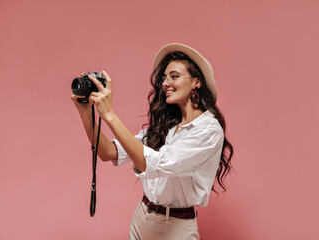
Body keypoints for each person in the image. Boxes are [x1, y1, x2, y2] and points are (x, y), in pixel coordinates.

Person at [71, 43, 234, 239]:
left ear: (197, 82)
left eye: (174, 76)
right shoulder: (166, 127)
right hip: (142, 219)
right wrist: (86, 114)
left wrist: (110, 115)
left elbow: (156, 164)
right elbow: (107, 152)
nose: (165, 83)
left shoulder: (208, 130)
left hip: (176, 228)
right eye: (164, 78)